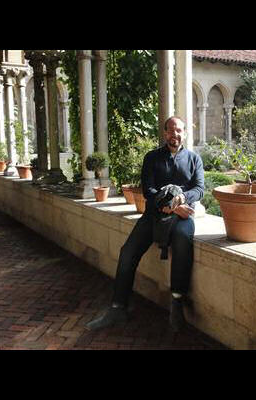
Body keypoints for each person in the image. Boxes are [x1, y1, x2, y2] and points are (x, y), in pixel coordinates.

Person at [86, 116, 204, 332]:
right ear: (165, 133)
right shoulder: (152, 157)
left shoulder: (194, 159)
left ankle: (177, 303)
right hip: (154, 215)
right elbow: (148, 190)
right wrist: (169, 204)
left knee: (182, 239)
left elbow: (199, 189)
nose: (175, 134)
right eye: (171, 130)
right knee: (127, 252)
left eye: (179, 130)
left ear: (184, 133)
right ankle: (117, 308)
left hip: (183, 216)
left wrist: (182, 199)